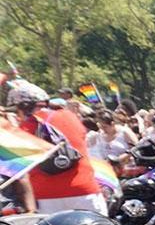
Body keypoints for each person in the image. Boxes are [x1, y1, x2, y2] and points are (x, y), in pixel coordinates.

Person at [11, 82, 106, 215]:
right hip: (85, 191)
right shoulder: (69, 117)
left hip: (46, 197)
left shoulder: (22, 130)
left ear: (22, 108)